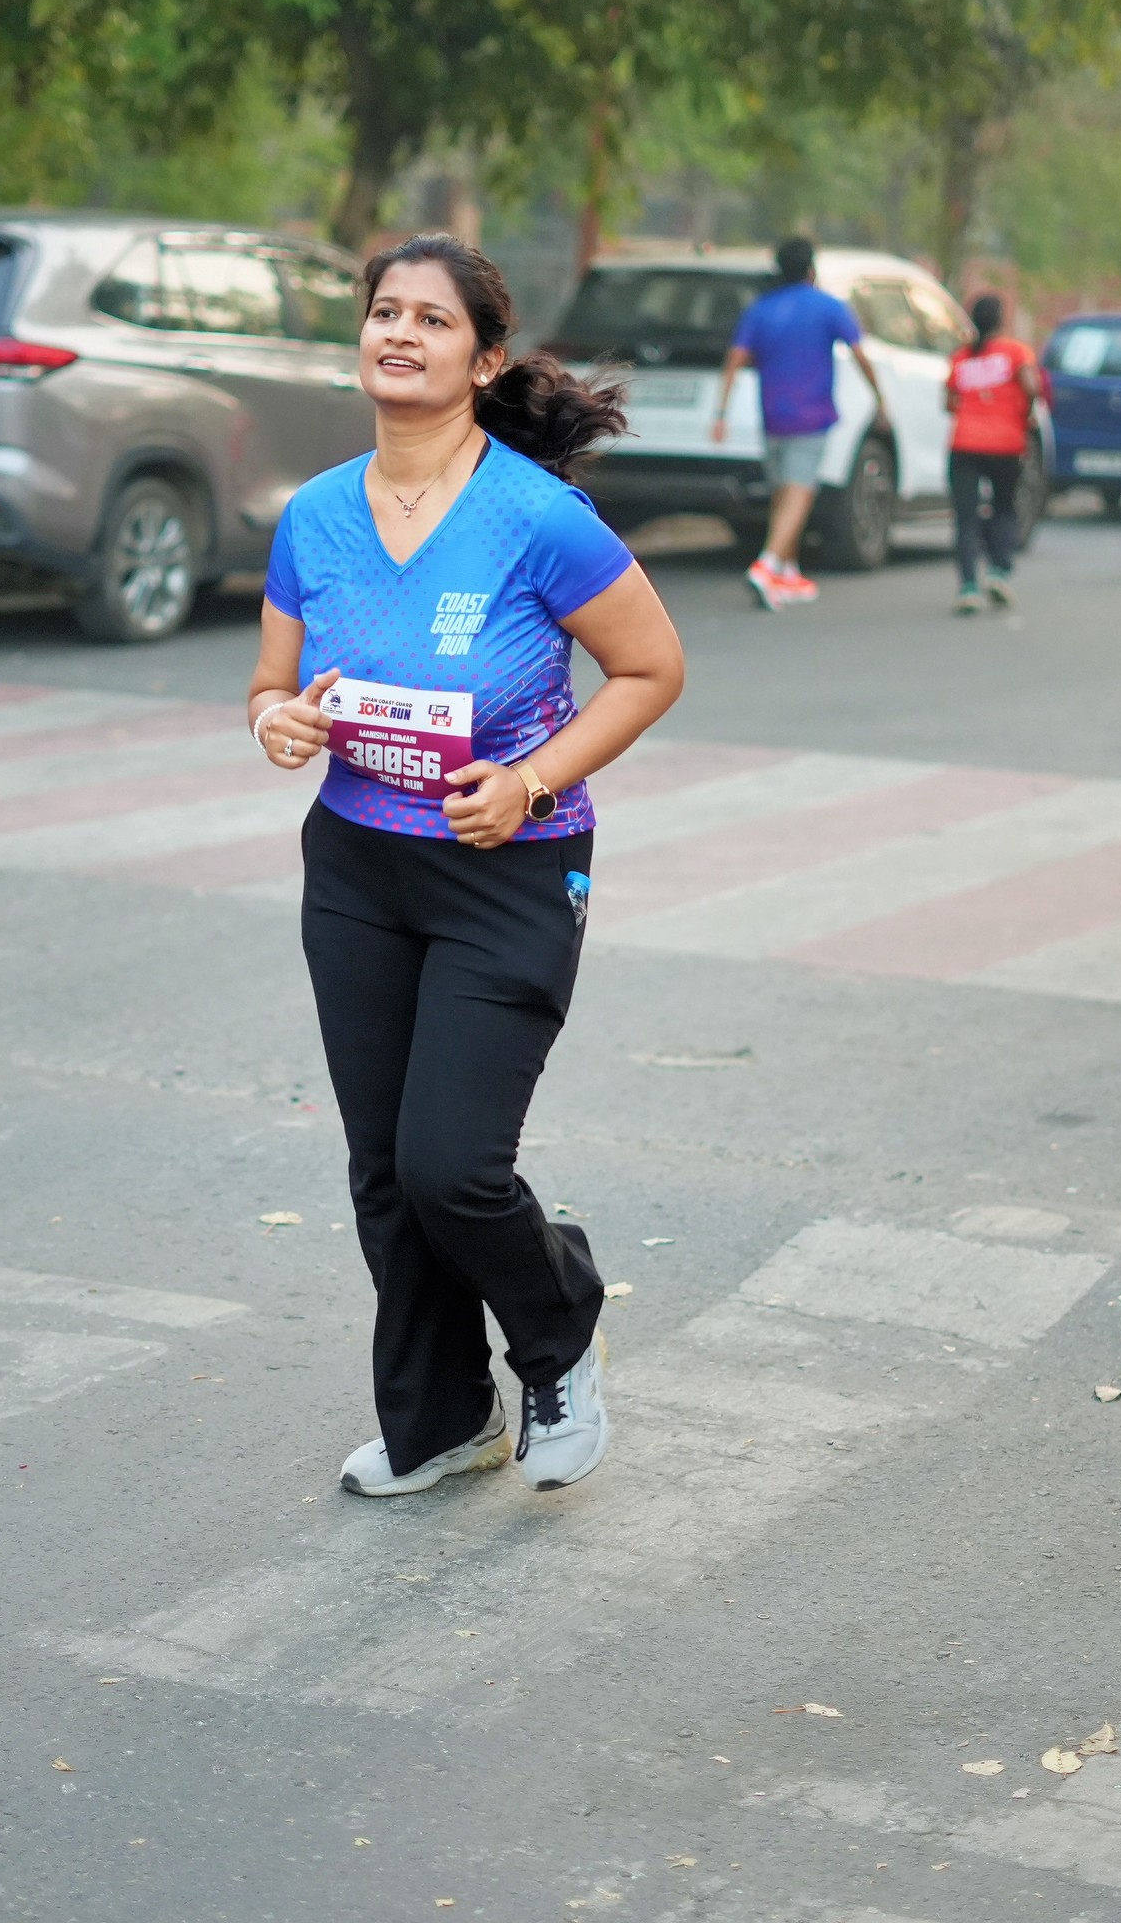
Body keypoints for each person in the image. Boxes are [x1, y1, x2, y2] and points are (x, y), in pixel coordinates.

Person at [247, 234, 686, 1502]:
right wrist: (278, 722)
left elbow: (651, 669)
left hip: (511, 866)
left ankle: (560, 1329)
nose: (399, 333)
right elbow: (272, 686)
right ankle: (441, 1418)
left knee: (452, 1165)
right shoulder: (316, 515)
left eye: (432, 320)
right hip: (357, 867)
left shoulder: (537, 517)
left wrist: (530, 779)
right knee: (385, 1172)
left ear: (484, 360)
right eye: (384, 311)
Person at [710, 237, 889, 611]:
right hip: (812, 415)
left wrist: (721, 414)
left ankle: (788, 572)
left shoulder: (760, 309)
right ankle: (767, 564)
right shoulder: (829, 307)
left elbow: (735, 360)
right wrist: (880, 398)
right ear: (811, 270)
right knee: (800, 492)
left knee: (782, 492)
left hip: (772, 415)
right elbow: (860, 354)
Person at [944, 291, 1045, 613]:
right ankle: (999, 571)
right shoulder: (1016, 352)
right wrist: (1025, 413)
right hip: (1006, 444)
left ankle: (968, 587)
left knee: (965, 517)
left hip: (964, 444)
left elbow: (949, 401)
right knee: (1004, 507)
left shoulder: (961, 356)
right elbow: (1032, 386)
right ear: (1001, 319)